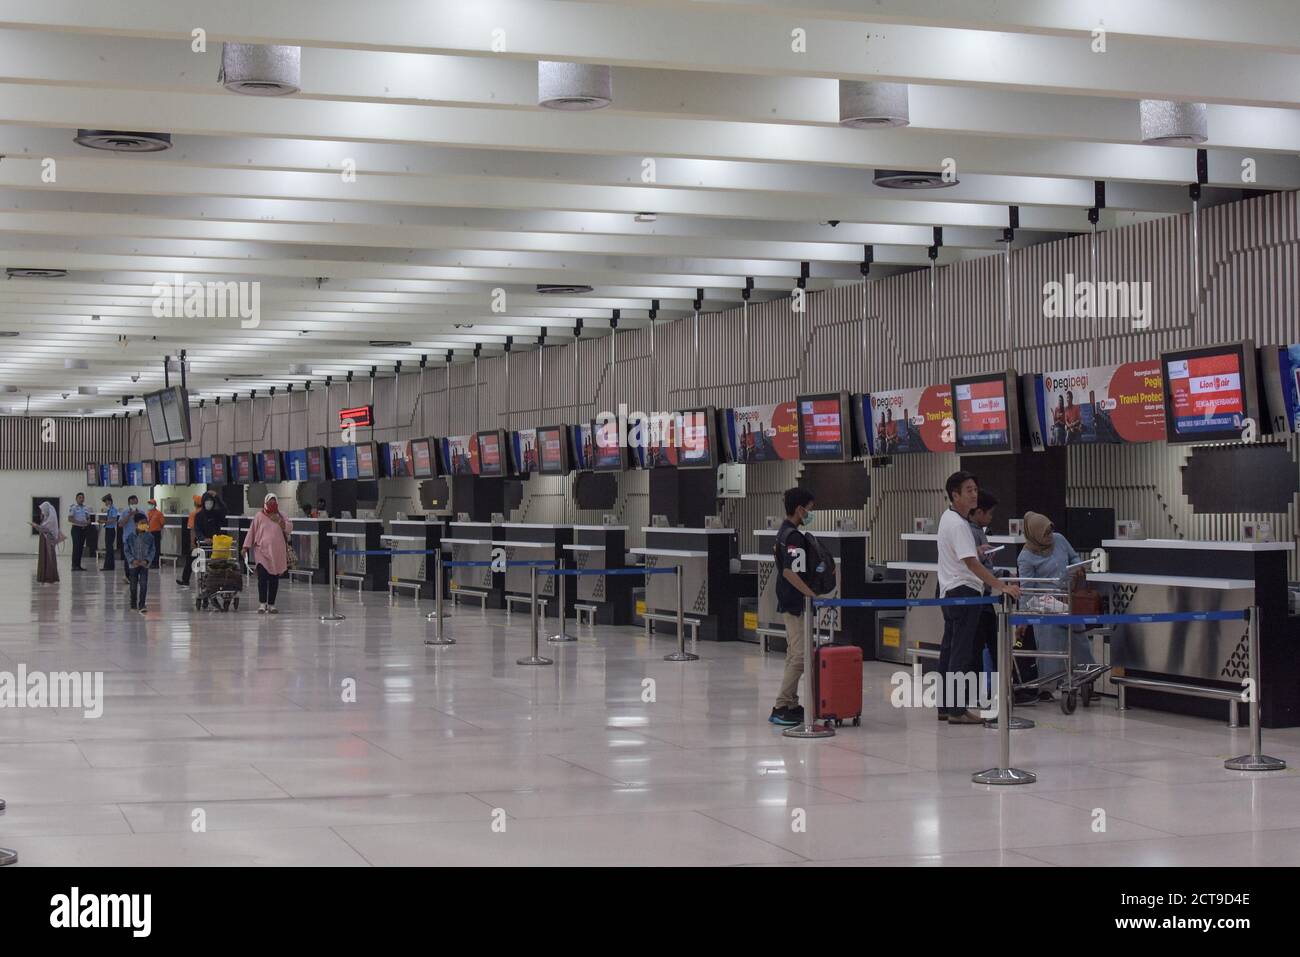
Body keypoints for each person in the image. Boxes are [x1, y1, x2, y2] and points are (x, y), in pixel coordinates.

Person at [936, 471, 1019, 723]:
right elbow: (971, 563)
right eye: (969, 490)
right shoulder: (960, 524)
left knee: (950, 649)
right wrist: (1000, 586)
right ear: (955, 495)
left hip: (949, 590)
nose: (974, 494)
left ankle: (945, 706)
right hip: (964, 591)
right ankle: (957, 710)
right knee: (961, 652)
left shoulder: (947, 518)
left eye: (975, 489)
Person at [1017, 512, 1091, 694]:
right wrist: (1023, 618)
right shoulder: (1025, 557)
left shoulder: (1059, 540)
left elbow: (1073, 557)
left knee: (1079, 641)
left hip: (1068, 598)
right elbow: (1026, 589)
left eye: (1051, 531)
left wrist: (1078, 567)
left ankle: (1086, 679)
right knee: (1051, 646)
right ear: (1034, 534)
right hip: (1044, 605)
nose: (1050, 537)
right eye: (1045, 534)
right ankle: (1049, 687)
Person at [769, 487, 821, 727]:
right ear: (800, 509)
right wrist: (810, 595)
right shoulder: (794, 537)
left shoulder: (783, 532)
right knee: (800, 656)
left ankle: (791, 702)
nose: (810, 513)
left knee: (794, 654)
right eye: (809, 509)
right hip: (796, 603)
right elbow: (790, 571)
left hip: (788, 600)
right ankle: (780, 705)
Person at [967, 490, 1000, 674]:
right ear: (979, 512)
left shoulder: (978, 531)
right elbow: (970, 564)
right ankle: (980, 692)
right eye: (990, 513)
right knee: (979, 646)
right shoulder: (969, 532)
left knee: (987, 644)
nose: (991, 517)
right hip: (977, 597)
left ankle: (990, 691)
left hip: (983, 597)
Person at [242, 493, 293, 614]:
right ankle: (262, 603)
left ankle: (271, 604)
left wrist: (280, 521)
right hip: (262, 552)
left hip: (277, 553)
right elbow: (252, 532)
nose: (272, 504)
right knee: (263, 577)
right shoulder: (259, 516)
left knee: (274, 579)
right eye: (270, 502)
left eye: (274, 502)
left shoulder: (282, 515)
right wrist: (245, 547)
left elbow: (290, 528)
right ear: (265, 503)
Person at [124, 513, 156, 613]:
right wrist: (132, 560)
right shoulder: (130, 537)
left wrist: (147, 560)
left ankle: (142, 604)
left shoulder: (149, 536)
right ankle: (133, 604)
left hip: (144, 565)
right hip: (133, 565)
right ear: (136, 524)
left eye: (146, 523)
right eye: (142, 523)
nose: (144, 525)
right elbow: (126, 550)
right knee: (133, 586)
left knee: (143, 585)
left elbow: (152, 550)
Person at [30, 501, 63, 584]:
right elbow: (43, 527)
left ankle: (50, 577)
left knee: (49, 558)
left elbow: (44, 529)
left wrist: (35, 526)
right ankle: (43, 576)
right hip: (44, 540)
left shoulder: (50, 520)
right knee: (44, 557)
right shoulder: (46, 519)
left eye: (43, 510)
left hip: (48, 541)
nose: (42, 512)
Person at [178, 495, 203, 586]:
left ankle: (185, 580)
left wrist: (192, 542)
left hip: (197, 540)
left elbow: (192, 529)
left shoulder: (194, 514)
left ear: (196, 503)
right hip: (206, 540)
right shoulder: (206, 513)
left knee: (190, 560)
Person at [118, 495, 141, 582]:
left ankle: (135, 576)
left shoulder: (141, 512)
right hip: (127, 539)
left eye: (135, 502)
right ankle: (128, 576)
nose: (134, 504)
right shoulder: (124, 512)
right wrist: (129, 515)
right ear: (129, 503)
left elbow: (146, 525)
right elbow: (120, 524)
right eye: (132, 502)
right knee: (128, 559)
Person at [67, 493, 91, 571]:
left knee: (81, 548)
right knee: (76, 547)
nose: (81, 499)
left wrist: (88, 522)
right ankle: (74, 565)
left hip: (83, 529)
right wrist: (80, 523)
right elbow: (70, 519)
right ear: (76, 499)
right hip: (76, 529)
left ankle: (78, 565)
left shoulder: (86, 508)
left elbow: (88, 518)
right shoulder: (73, 507)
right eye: (80, 497)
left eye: (82, 498)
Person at [99, 494, 119, 572]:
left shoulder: (113, 509)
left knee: (109, 548)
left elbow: (114, 519)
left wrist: (104, 521)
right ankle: (109, 565)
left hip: (111, 530)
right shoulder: (109, 509)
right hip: (108, 529)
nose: (105, 503)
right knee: (108, 548)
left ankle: (109, 566)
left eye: (106, 501)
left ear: (109, 501)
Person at [146, 499, 165, 569]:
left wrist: (158, 528)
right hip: (149, 532)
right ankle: (151, 562)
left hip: (156, 532)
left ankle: (156, 563)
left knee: (156, 548)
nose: (149, 505)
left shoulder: (159, 513)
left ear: (154, 505)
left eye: (151, 504)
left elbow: (162, 523)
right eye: (149, 504)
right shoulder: (148, 513)